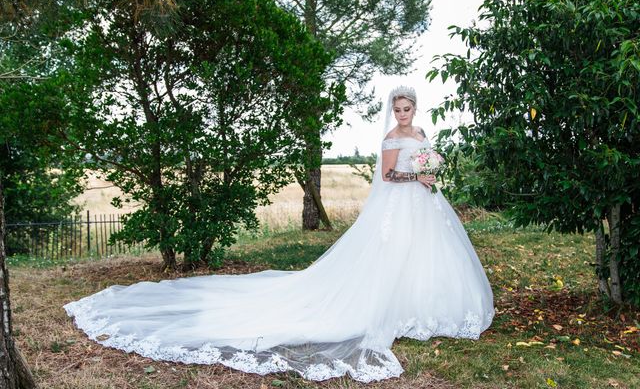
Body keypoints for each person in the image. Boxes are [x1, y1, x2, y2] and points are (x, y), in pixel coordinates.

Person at [64, 85, 494, 383]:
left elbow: (426, 161)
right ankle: (394, 309)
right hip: (400, 205)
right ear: (393, 111)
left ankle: (425, 307)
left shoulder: (420, 133)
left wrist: (429, 175)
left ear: (415, 110)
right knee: (393, 256)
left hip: (427, 205)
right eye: (398, 110)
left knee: (427, 256)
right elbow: (386, 176)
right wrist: (413, 178)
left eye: (408, 109)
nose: (404, 115)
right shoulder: (388, 139)